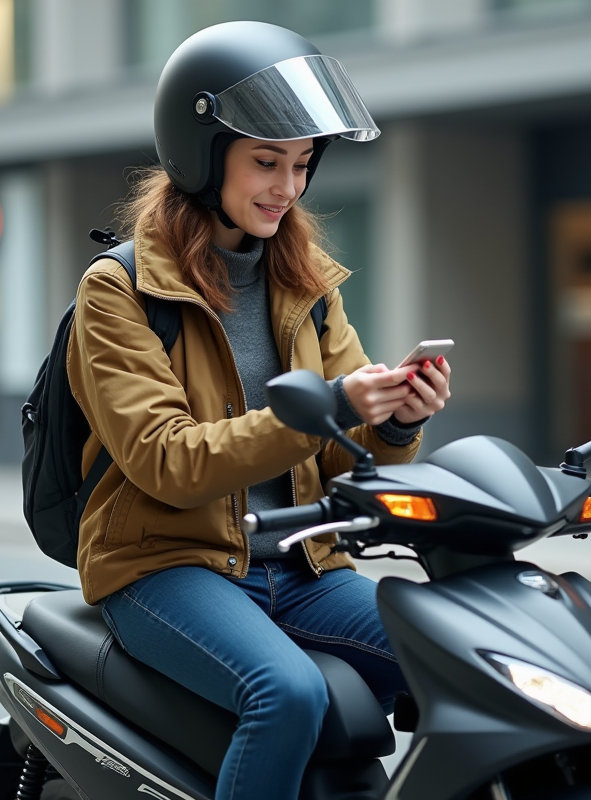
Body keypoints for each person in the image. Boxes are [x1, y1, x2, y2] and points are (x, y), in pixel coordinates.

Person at [65, 20, 452, 800]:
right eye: (266, 161)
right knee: (288, 694)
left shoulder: (307, 286)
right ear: (202, 157)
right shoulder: (118, 289)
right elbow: (167, 463)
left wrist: (398, 418)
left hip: (303, 563)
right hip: (166, 563)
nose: (287, 186)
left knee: (464, 654)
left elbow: (348, 459)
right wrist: (324, 411)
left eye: (303, 164)